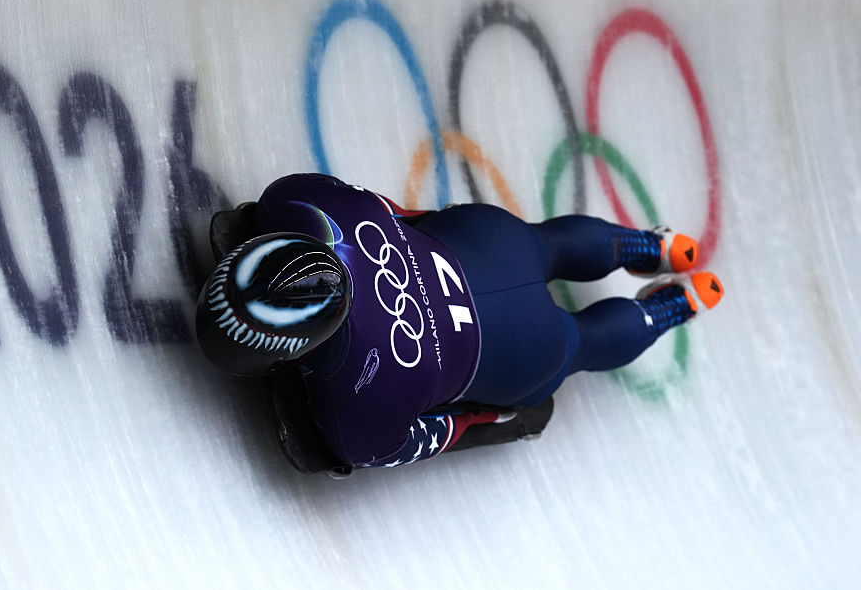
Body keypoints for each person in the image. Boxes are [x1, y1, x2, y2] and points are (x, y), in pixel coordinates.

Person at [195, 173, 723, 469]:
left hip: (516, 349)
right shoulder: (297, 199)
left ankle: (671, 309)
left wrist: (486, 416)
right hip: (488, 244)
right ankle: (658, 247)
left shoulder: (358, 415)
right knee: (547, 244)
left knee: (577, 344)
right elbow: (399, 213)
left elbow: (439, 433)